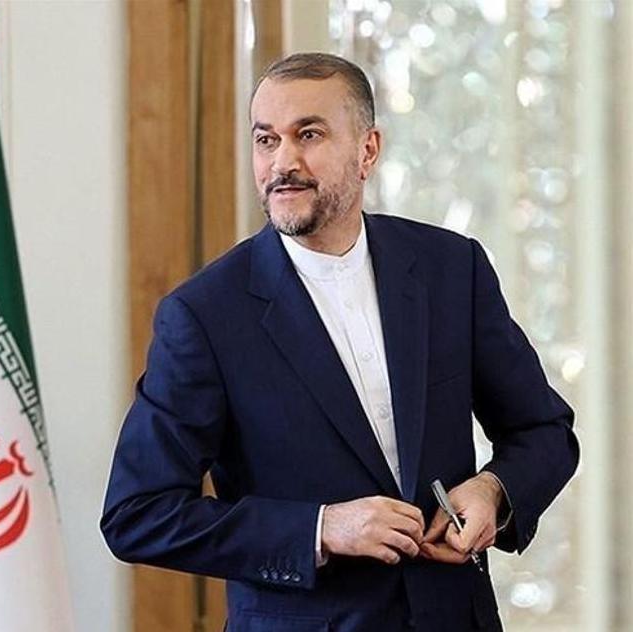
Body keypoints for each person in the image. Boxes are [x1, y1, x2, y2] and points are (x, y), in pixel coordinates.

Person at [100, 52, 578, 632]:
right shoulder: (204, 315)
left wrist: (493, 491)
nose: (283, 162)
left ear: (367, 150)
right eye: (266, 140)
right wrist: (320, 529)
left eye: (309, 134)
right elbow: (138, 513)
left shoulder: (453, 268)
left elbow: (544, 430)